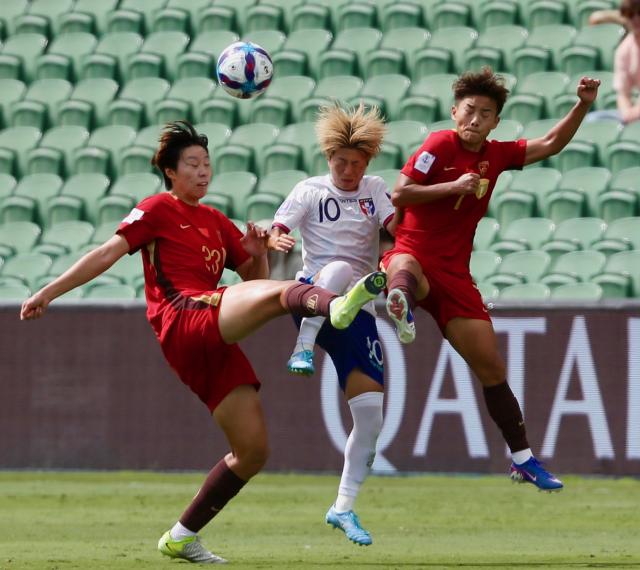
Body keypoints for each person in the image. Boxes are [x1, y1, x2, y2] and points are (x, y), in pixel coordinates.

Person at [20, 121, 387, 564]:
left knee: (252, 451)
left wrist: (256, 253)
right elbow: (106, 253)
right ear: (170, 172)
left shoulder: (215, 221)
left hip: (213, 334)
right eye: (192, 164)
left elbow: (256, 283)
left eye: (207, 164)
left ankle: (180, 536)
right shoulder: (157, 208)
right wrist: (47, 292)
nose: (202, 171)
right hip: (181, 315)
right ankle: (335, 307)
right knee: (283, 295)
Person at [381, 68, 601, 492]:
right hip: (413, 251)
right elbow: (400, 194)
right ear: (454, 112)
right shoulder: (439, 143)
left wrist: (583, 105)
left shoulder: (496, 155)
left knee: (491, 367)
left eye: (485, 113)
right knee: (405, 267)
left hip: (455, 274)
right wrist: (451, 186)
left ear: (496, 121)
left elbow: (552, 144)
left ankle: (522, 459)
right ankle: (399, 302)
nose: (475, 120)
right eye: (469, 111)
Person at [269, 103, 398, 546]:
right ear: (329, 159)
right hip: (315, 298)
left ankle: (343, 508)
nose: (348, 170)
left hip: (358, 311)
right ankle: (302, 347)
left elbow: (395, 224)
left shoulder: (376, 189)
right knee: (340, 269)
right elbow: (278, 226)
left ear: (368, 163)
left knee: (371, 419)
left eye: (356, 163)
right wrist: (277, 236)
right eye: (340, 162)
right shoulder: (309, 190)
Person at [588, 0, 640, 124]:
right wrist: (627, 113)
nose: (635, 19)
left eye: (639, 13)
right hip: (635, 114)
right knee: (593, 119)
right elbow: (622, 93)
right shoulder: (625, 49)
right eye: (630, 15)